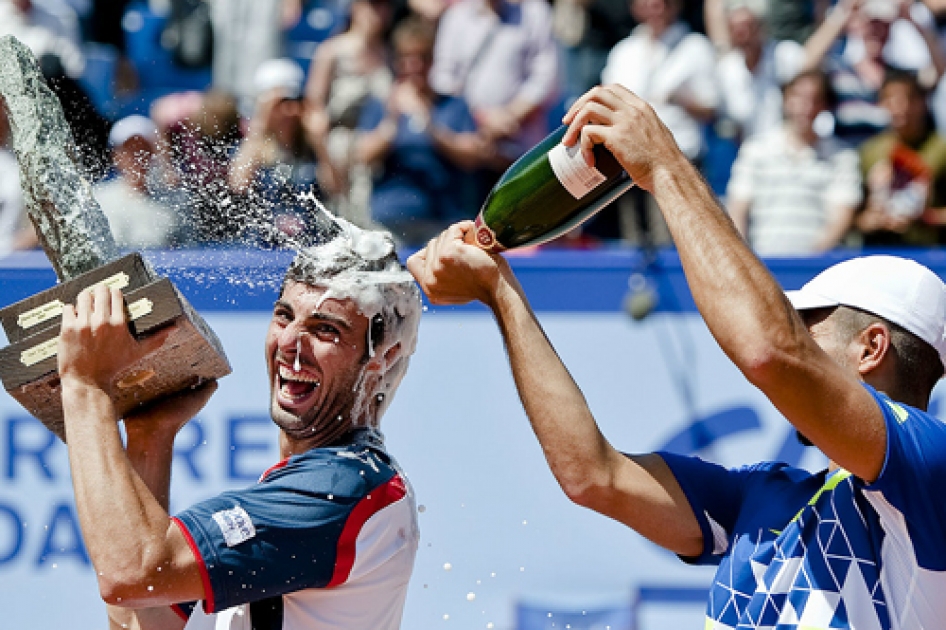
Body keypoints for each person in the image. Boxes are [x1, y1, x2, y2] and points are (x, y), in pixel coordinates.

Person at [408, 83, 946, 629]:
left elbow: (769, 351)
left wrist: (666, 166)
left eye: (808, 330)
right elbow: (593, 476)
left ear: (871, 348)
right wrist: (501, 293)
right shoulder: (765, 495)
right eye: (797, 330)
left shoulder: (931, 470)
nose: (795, 341)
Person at [58, 222, 422, 629]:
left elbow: (132, 576)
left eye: (326, 329)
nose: (290, 342)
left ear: (385, 357)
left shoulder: (342, 488)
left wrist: (86, 387)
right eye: (284, 316)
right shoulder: (328, 482)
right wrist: (150, 438)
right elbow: (140, 616)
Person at [356, 17, 493, 245]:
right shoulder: (381, 105)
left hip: (442, 221)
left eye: (421, 58)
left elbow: (473, 156)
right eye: (407, 58)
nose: (414, 66)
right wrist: (392, 120)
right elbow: (363, 155)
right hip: (389, 219)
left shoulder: (452, 105)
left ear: (432, 61)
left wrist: (429, 123)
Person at [726, 69, 863, 255]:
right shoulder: (755, 149)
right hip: (762, 264)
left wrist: (809, 261)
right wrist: (747, 260)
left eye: (815, 99)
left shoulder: (842, 156)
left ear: (824, 106)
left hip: (818, 269)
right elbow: (738, 210)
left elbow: (841, 217)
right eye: (799, 98)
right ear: (786, 100)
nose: (806, 107)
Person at [802, 0, 946, 144]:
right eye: (870, 23)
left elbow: (939, 72)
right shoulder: (839, 72)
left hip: (890, 160)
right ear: (856, 26)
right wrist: (842, 15)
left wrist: (914, 21)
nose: (876, 31)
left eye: (883, 24)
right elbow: (805, 65)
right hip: (847, 160)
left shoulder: (902, 76)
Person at [856, 70, 946, 245]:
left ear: (923, 103)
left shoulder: (941, 149)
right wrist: (872, 220)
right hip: (880, 251)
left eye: (909, 99)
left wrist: (926, 218)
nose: (900, 107)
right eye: (891, 99)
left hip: (931, 254)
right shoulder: (870, 151)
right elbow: (855, 216)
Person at [94, 115, 182, 250]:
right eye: (129, 151)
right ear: (116, 156)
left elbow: (190, 253)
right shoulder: (98, 198)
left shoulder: (175, 201)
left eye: (142, 149)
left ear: (153, 154)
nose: (137, 157)